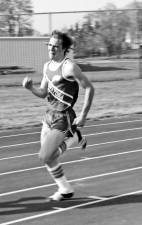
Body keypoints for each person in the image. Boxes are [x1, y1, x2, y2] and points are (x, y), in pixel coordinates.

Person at [22, 30, 94, 201]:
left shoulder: (69, 67)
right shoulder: (47, 66)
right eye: (50, 45)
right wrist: (30, 88)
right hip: (49, 115)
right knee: (49, 159)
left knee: (45, 155)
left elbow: (90, 88)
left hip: (63, 117)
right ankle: (65, 189)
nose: (52, 49)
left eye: (56, 46)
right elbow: (43, 92)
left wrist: (83, 115)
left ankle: (73, 138)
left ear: (64, 49)